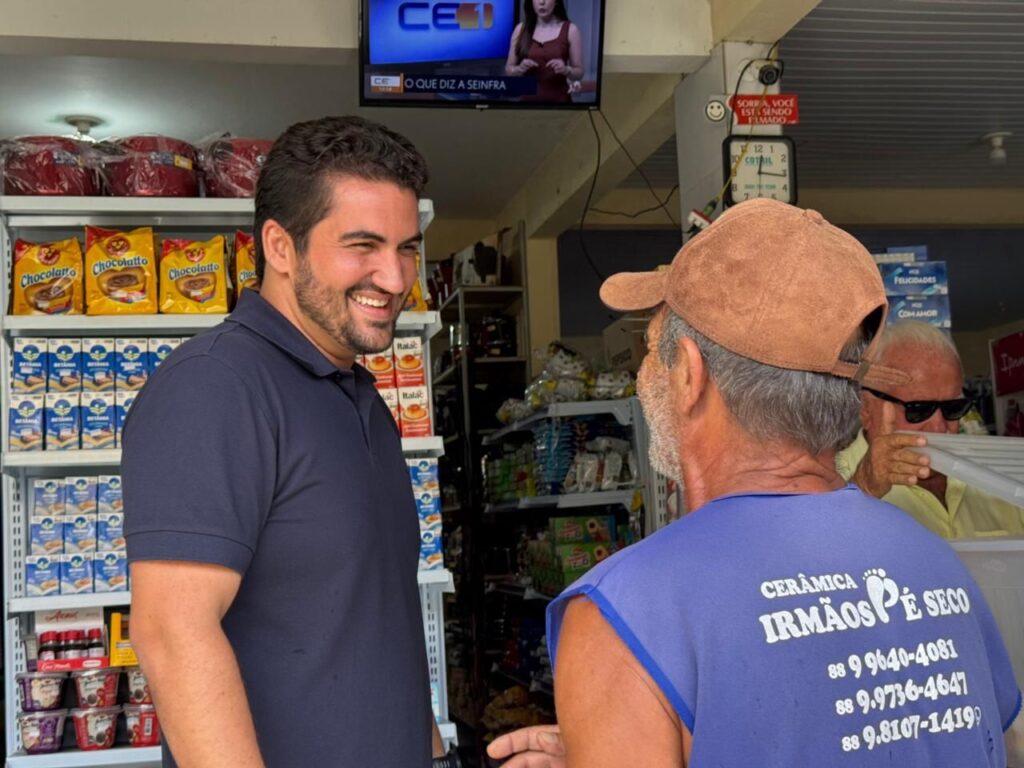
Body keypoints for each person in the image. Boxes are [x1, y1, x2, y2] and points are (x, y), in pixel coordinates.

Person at [503, 200, 1022, 767]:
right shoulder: (938, 564)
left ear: (690, 375)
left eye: (653, 351)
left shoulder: (628, 614)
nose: (643, 372)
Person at [123, 116, 450, 766]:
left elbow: (376, 615)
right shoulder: (216, 385)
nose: (394, 277)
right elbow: (172, 633)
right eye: (363, 245)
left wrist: (435, 752)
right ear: (279, 246)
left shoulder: (360, 397)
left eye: (407, 247)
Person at [837, 320, 1024, 539]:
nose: (939, 427)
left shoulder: (996, 474)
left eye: (953, 408)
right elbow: (815, 560)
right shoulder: (830, 478)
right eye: (919, 409)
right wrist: (864, 487)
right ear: (866, 409)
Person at [505, 0, 584, 103]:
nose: (542, 2)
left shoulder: (571, 30)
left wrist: (566, 70)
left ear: (556, 2)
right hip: (527, 106)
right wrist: (520, 69)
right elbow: (508, 70)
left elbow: (579, 72)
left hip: (560, 105)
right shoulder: (520, 29)